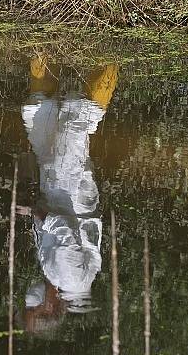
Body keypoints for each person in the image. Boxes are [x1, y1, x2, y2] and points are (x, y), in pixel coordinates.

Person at [20, 54, 119, 332]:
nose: (28, 301)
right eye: (31, 308)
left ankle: (43, 47)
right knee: (76, 118)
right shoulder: (70, 280)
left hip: (56, 187)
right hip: (68, 188)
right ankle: (112, 54)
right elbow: (63, 227)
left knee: (37, 113)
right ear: (48, 308)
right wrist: (33, 212)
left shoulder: (58, 278)